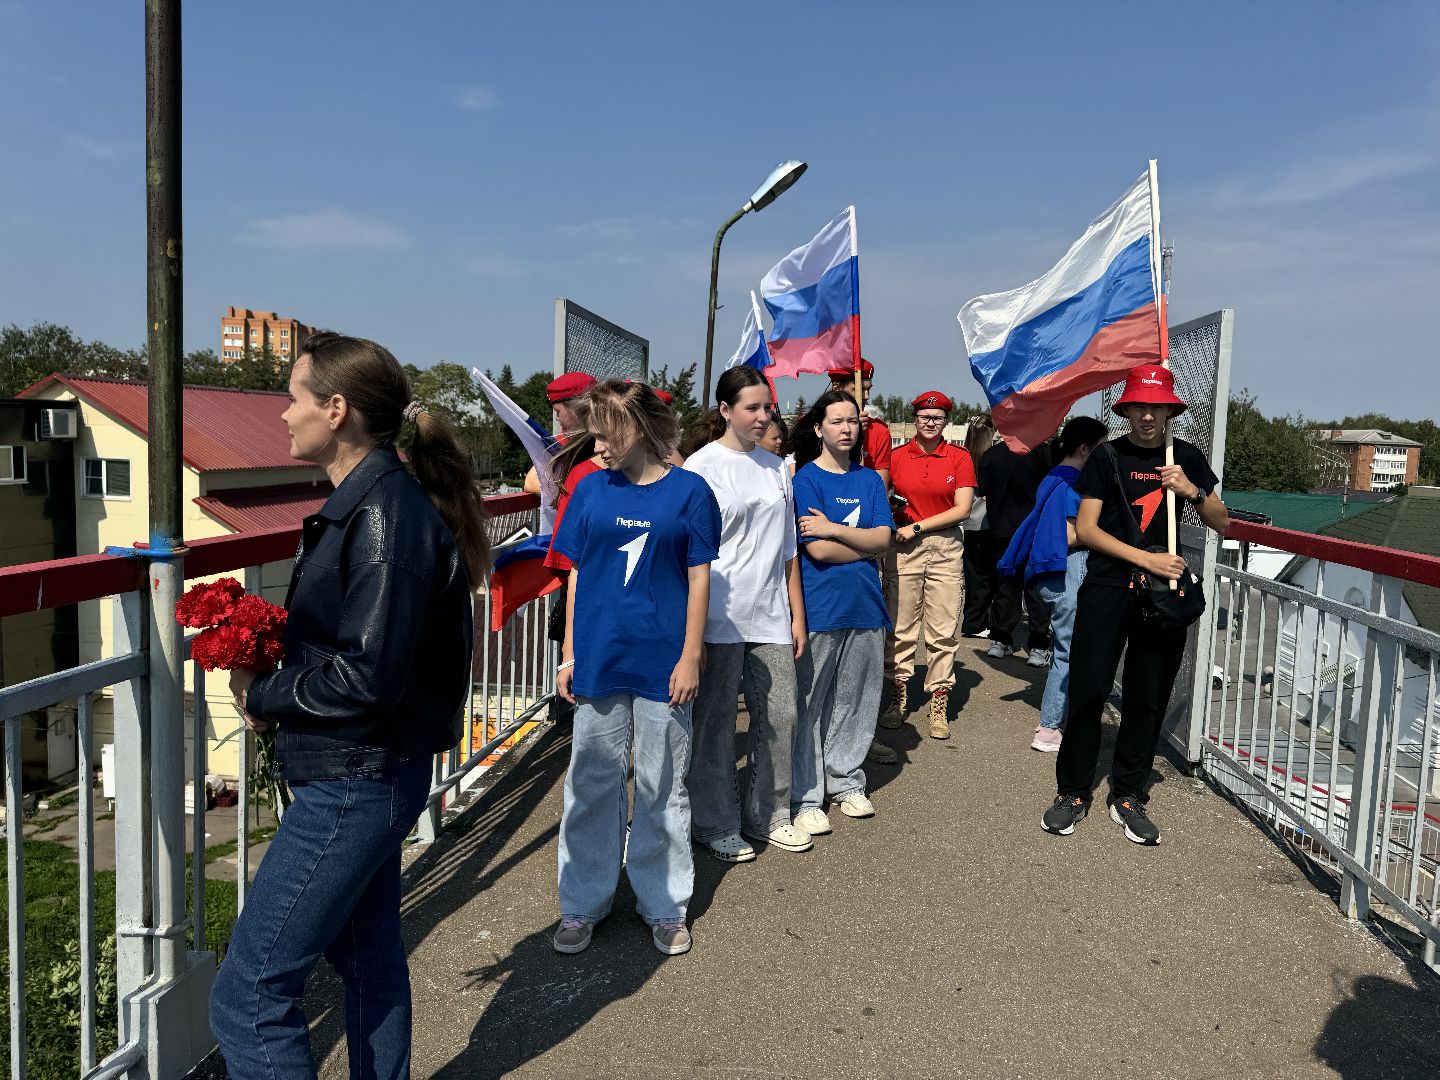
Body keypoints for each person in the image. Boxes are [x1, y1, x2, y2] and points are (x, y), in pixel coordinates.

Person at [215, 332, 490, 1079]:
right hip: (371, 770)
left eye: (293, 398)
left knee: (248, 995)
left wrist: (264, 693)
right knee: (368, 961)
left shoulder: (383, 515)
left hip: (354, 779)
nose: (283, 415)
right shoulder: (379, 503)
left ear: (336, 410)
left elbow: (368, 675)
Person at [550, 379, 721, 955]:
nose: (597, 446)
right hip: (600, 657)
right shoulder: (590, 490)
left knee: (662, 785)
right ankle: (582, 902)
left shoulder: (691, 491)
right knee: (591, 783)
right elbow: (575, 573)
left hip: (663, 661)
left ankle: (664, 903)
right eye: (594, 434)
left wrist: (691, 655)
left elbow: (699, 575)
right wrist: (570, 653)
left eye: (607, 434)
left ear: (643, 429)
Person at [1041, 364, 1228, 845]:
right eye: (1139, 407)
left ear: (1169, 412)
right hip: (1107, 587)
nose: (1147, 416)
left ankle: (1127, 795)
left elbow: (1222, 521)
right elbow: (1087, 531)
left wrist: (1191, 491)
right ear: (1126, 410)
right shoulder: (1107, 456)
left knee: (1147, 699)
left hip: (1161, 596)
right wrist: (1145, 558)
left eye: (1156, 407)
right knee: (1088, 690)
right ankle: (1072, 792)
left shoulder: (1184, 457)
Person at [685, 366, 809, 860]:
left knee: (781, 715)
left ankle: (768, 814)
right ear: (725, 410)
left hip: (771, 613)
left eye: (767, 408)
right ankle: (714, 821)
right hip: (718, 614)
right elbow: (690, 553)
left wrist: (797, 615)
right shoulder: (700, 467)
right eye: (751, 408)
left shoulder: (777, 467)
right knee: (715, 724)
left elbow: (788, 549)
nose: (762, 417)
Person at [790, 391, 894, 832]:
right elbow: (818, 552)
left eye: (853, 420)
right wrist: (864, 543)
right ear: (819, 428)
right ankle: (807, 795)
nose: (847, 428)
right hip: (822, 607)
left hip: (866, 606)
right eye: (836, 421)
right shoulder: (805, 480)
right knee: (811, 704)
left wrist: (834, 528)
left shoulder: (869, 480)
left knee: (857, 700)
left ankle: (846, 781)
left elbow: (885, 539)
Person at [997, 416, 1110, 752]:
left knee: (1065, 649)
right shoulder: (1073, 484)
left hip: (1051, 575)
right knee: (1069, 652)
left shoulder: (1052, 478)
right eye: (1101, 448)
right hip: (1068, 572)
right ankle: (1049, 729)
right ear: (1085, 449)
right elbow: (1071, 535)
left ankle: (1055, 722)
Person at [878, 391, 976, 741]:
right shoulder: (896, 456)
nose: (930, 422)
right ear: (915, 419)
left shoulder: (959, 457)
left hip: (944, 546)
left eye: (937, 417)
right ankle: (898, 698)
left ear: (946, 421)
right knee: (900, 626)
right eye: (924, 416)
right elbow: (880, 496)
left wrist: (918, 526)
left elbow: (963, 508)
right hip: (903, 546)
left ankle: (939, 703)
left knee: (943, 630)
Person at [977, 434, 1053, 664]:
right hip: (1036, 530)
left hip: (1002, 530)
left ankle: (1000, 640)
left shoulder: (992, 455)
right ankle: (1038, 645)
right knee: (1035, 588)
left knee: (1005, 586)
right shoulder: (1044, 453)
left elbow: (984, 492)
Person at [523, 371, 599, 495]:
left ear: (576, 409)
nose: (557, 418)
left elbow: (532, 481)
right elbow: (531, 481)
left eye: (558, 411)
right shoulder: (609, 440)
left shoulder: (564, 442)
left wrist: (567, 493)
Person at [826, 357, 892, 488]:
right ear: (836, 387)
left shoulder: (879, 432)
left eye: (868, 389)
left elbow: (880, 488)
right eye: (858, 389)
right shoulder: (814, 427)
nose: (866, 396)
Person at [960, 414, 996, 637]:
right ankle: (979, 623)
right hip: (986, 523)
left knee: (973, 576)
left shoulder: (963, 456)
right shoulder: (990, 459)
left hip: (967, 524)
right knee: (987, 576)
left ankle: (973, 621)